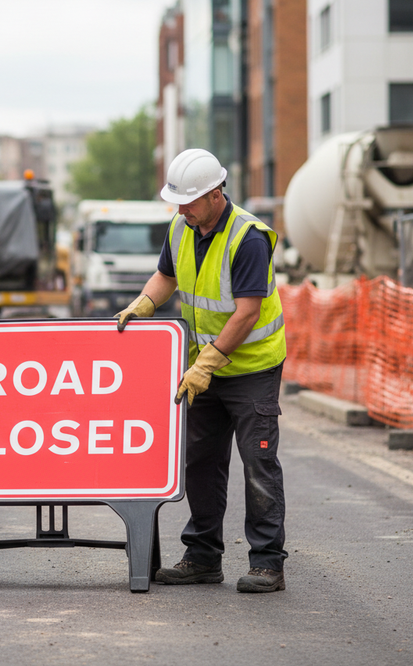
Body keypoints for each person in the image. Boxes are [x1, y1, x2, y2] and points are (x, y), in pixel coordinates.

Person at [115, 148, 288, 594]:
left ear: (215, 194)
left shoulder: (247, 237)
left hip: (250, 368)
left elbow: (247, 312)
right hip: (203, 369)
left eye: (188, 200)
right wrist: (143, 304)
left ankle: (268, 563)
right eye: (177, 201)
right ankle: (203, 558)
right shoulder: (182, 226)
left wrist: (207, 361)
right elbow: (165, 276)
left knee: (258, 462)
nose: (181, 209)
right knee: (201, 463)